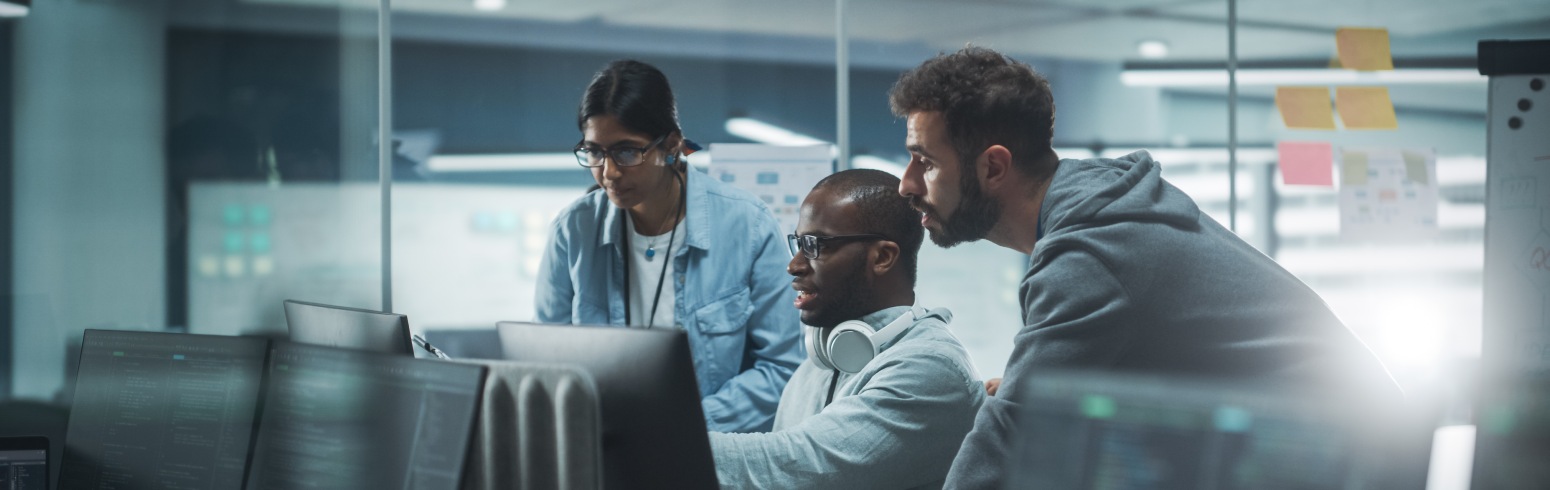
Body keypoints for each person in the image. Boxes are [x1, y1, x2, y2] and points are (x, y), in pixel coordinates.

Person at [888, 47, 1403, 488]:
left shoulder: (1092, 251)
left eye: (925, 162)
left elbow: (1010, 441)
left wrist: (1031, 398)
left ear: (994, 167)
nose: (906, 184)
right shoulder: (1100, 210)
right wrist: (1039, 387)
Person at [534, 60, 802, 433]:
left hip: (709, 457)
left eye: (627, 152)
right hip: (605, 453)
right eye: (594, 152)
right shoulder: (572, 230)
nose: (608, 172)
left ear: (672, 146)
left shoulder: (748, 225)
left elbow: (781, 369)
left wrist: (682, 428)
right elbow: (546, 364)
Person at [709, 169, 984, 489]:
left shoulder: (931, 368)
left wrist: (657, 447)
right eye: (798, 243)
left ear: (882, 257)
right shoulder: (820, 363)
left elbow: (799, 468)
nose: (794, 265)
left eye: (815, 245)